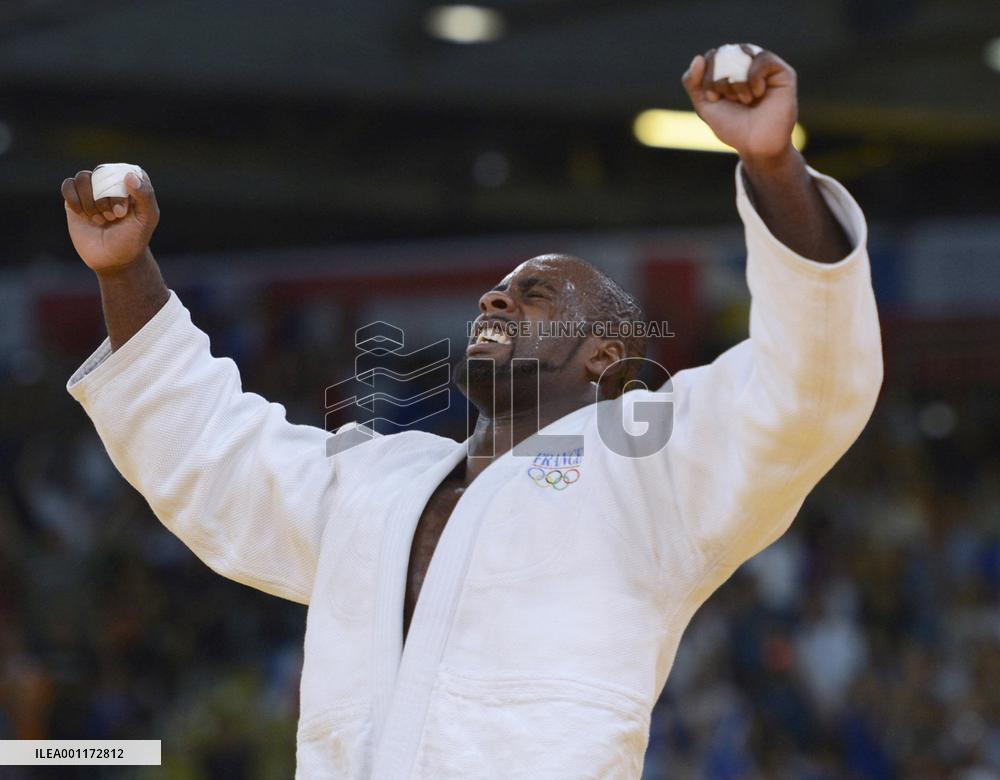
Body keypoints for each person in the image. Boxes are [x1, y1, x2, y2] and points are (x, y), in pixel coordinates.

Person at [62, 46, 882, 779]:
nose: (497, 294)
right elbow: (212, 457)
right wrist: (125, 271)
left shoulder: (650, 469)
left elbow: (802, 391)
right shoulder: (377, 478)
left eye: (536, 292)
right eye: (500, 287)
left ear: (604, 355)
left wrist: (775, 164)